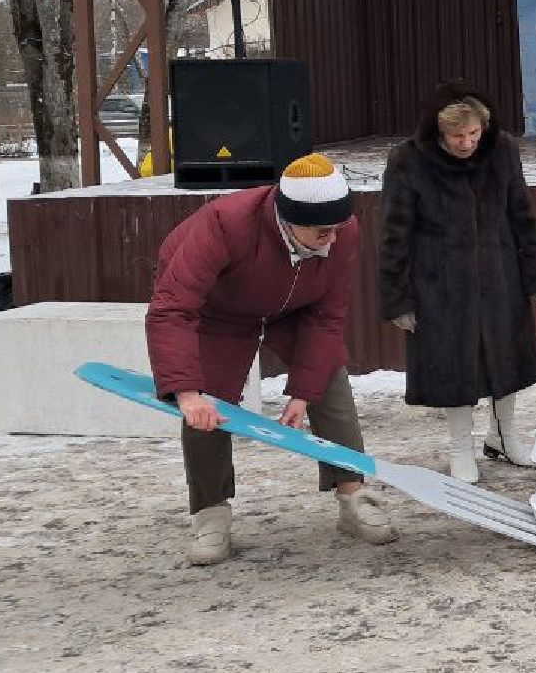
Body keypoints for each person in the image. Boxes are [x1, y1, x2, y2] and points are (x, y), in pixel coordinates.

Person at [146, 152, 398, 566]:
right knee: (210, 402)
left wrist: (301, 394)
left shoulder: (342, 230)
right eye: (321, 233)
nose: (332, 240)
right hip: (218, 310)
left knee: (329, 379)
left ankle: (353, 496)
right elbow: (173, 308)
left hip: (295, 306)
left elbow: (328, 316)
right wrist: (187, 393)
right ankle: (211, 514)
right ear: (288, 219)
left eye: (337, 229)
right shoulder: (223, 224)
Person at [378, 82, 536, 484]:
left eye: (474, 134)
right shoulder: (407, 161)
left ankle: (504, 436)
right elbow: (395, 233)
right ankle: (460, 448)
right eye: (457, 136)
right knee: (452, 364)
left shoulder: (502, 151)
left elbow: (522, 214)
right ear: (440, 133)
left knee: (506, 356)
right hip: (438, 283)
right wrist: (398, 298)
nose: (467, 143)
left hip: (500, 275)